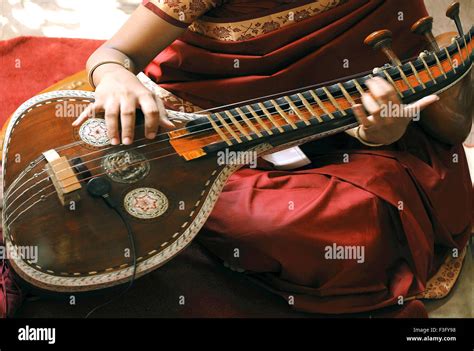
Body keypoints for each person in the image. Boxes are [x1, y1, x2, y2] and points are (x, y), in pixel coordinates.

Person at [2, 0, 471, 316]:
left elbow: (445, 125)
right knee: (141, 168)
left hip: (341, 136)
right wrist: (114, 77)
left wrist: (386, 129)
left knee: (360, 219)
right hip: (208, 123)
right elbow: (116, 53)